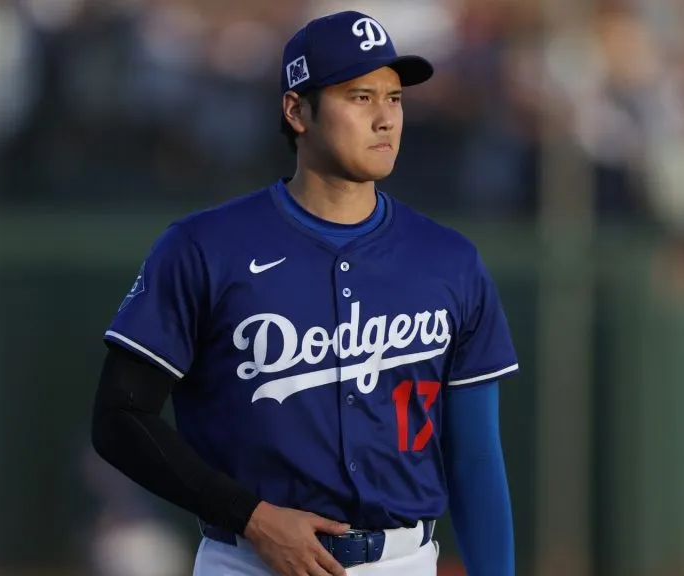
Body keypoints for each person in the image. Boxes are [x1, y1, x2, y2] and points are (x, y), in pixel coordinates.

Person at [91, 10, 518, 576]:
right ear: (297, 111)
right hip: (247, 561)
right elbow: (120, 418)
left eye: (394, 99)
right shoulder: (204, 247)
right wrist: (252, 516)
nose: (385, 119)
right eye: (360, 98)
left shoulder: (450, 261)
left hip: (403, 561)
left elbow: (475, 459)